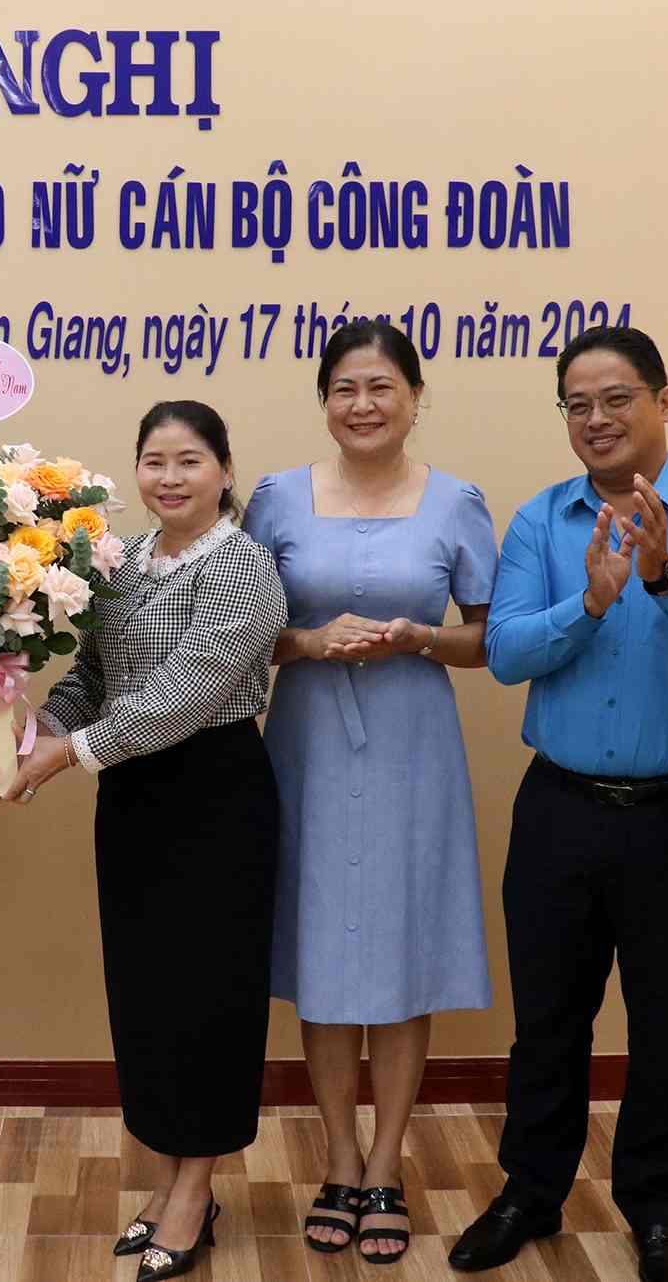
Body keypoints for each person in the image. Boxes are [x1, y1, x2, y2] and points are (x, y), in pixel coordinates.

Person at [450, 327, 668, 1282]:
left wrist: (665, 581)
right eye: (576, 404)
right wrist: (589, 604)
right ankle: (530, 1191)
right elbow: (506, 653)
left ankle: (657, 1211)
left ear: (664, 401)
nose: (596, 420)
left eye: (616, 398)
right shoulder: (538, 524)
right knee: (548, 1018)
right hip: (560, 808)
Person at [4, 401, 287, 1282]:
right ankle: (171, 1178)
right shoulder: (120, 563)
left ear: (227, 470)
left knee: (209, 997)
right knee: (150, 993)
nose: (170, 477)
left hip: (216, 793)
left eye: (190, 460)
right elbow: (91, 672)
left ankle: (195, 1190)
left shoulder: (245, 566)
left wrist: (68, 753)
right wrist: (31, 732)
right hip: (131, 801)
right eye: (154, 460)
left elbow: (188, 688)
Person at [242, 321, 496, 1265]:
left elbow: (489, 637)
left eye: (382, 387)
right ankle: (339, 1161)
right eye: (345, 388)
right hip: (306, 737)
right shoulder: (274, 500)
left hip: (410, 744)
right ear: (325, 399)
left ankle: (388, 1162)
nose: (363, 404)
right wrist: (307, 640)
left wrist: (413, 637)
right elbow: (240, 635)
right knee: (321, 948)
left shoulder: (457, 502)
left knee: (399, 947)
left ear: (415, 396)